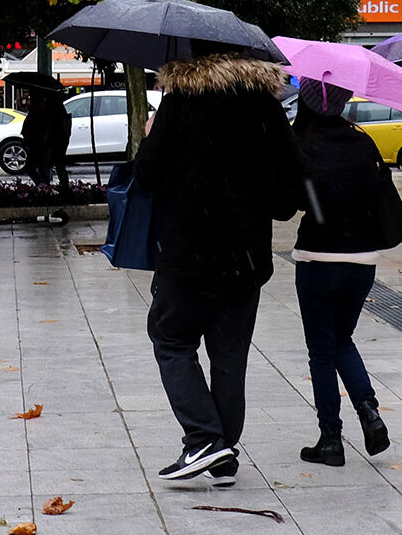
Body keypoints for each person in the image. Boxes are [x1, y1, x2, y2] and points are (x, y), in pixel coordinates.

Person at [134, 51, 306, 486]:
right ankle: (222, 455)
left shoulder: (179, 103)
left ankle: (205, 439)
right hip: (245, 260)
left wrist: (152, 136)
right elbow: (292, 192)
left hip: (188, 256)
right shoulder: (265, 107)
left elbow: (147, 176)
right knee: (230, 358)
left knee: (171, 340)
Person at [291, 78, 392, 467]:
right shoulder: (363, 141)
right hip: (362, 259)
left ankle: (331, 438)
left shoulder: (303, 142)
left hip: (318, 257)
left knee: (322, 350)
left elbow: (289, 204)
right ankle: (369, 410)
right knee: (342, 339)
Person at [20, 92, 53, 186]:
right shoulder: (34, 113)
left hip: (39, 144)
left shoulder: (41, 113)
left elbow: (44, 129)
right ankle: (43, 185)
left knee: (38, 167)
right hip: (36, 144)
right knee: (39, 168)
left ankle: (43, 186)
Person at [47, 93, 71, 186]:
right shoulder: (60, 111)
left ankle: (46, 186)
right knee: (59, 164)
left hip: (56, 141)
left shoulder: (55, 113)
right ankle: (64, 186)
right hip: (60, 140)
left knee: (55, 164)